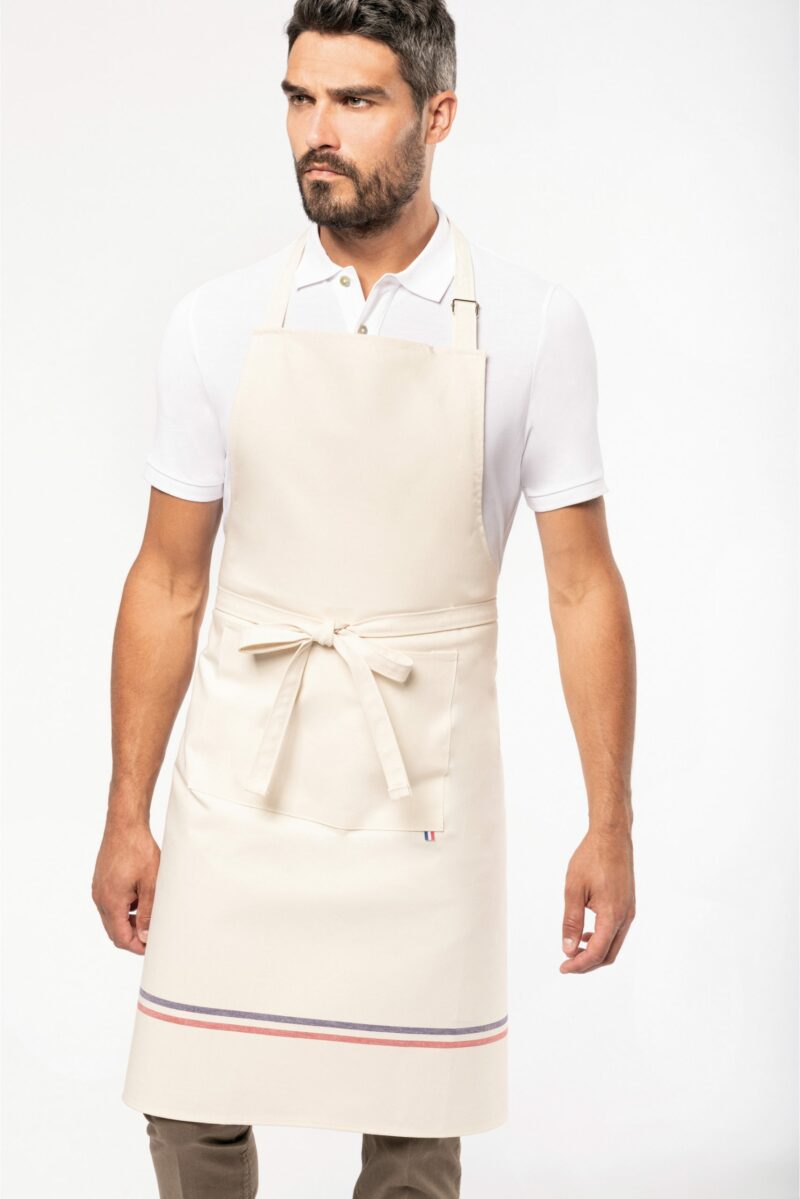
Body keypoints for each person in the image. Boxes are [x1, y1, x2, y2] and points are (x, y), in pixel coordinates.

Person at [91, 1, 637, 1195]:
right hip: (242, 777)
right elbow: (168, 577)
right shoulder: (216, 322)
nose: (316, 132)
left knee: (411, 1133)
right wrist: (127, 807)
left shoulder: (535, 326)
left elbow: (580, 585)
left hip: (420, 788)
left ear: (436, 117)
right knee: (189, 1098)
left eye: (354, 100)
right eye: (299, 99)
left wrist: (610, 823)